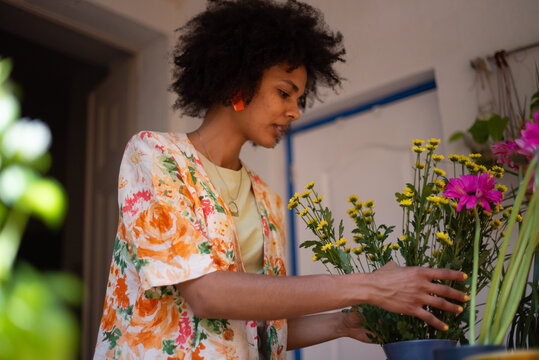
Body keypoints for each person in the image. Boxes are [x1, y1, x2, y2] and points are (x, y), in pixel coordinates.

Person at [93, 0, 468, 359]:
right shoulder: (154, 155)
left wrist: (343, 322)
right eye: (284, 92)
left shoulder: (268, 200)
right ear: (237, 81)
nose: (294, 112)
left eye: (299, 99)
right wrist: (371, 285)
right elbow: (206, 294)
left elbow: (263, 330)